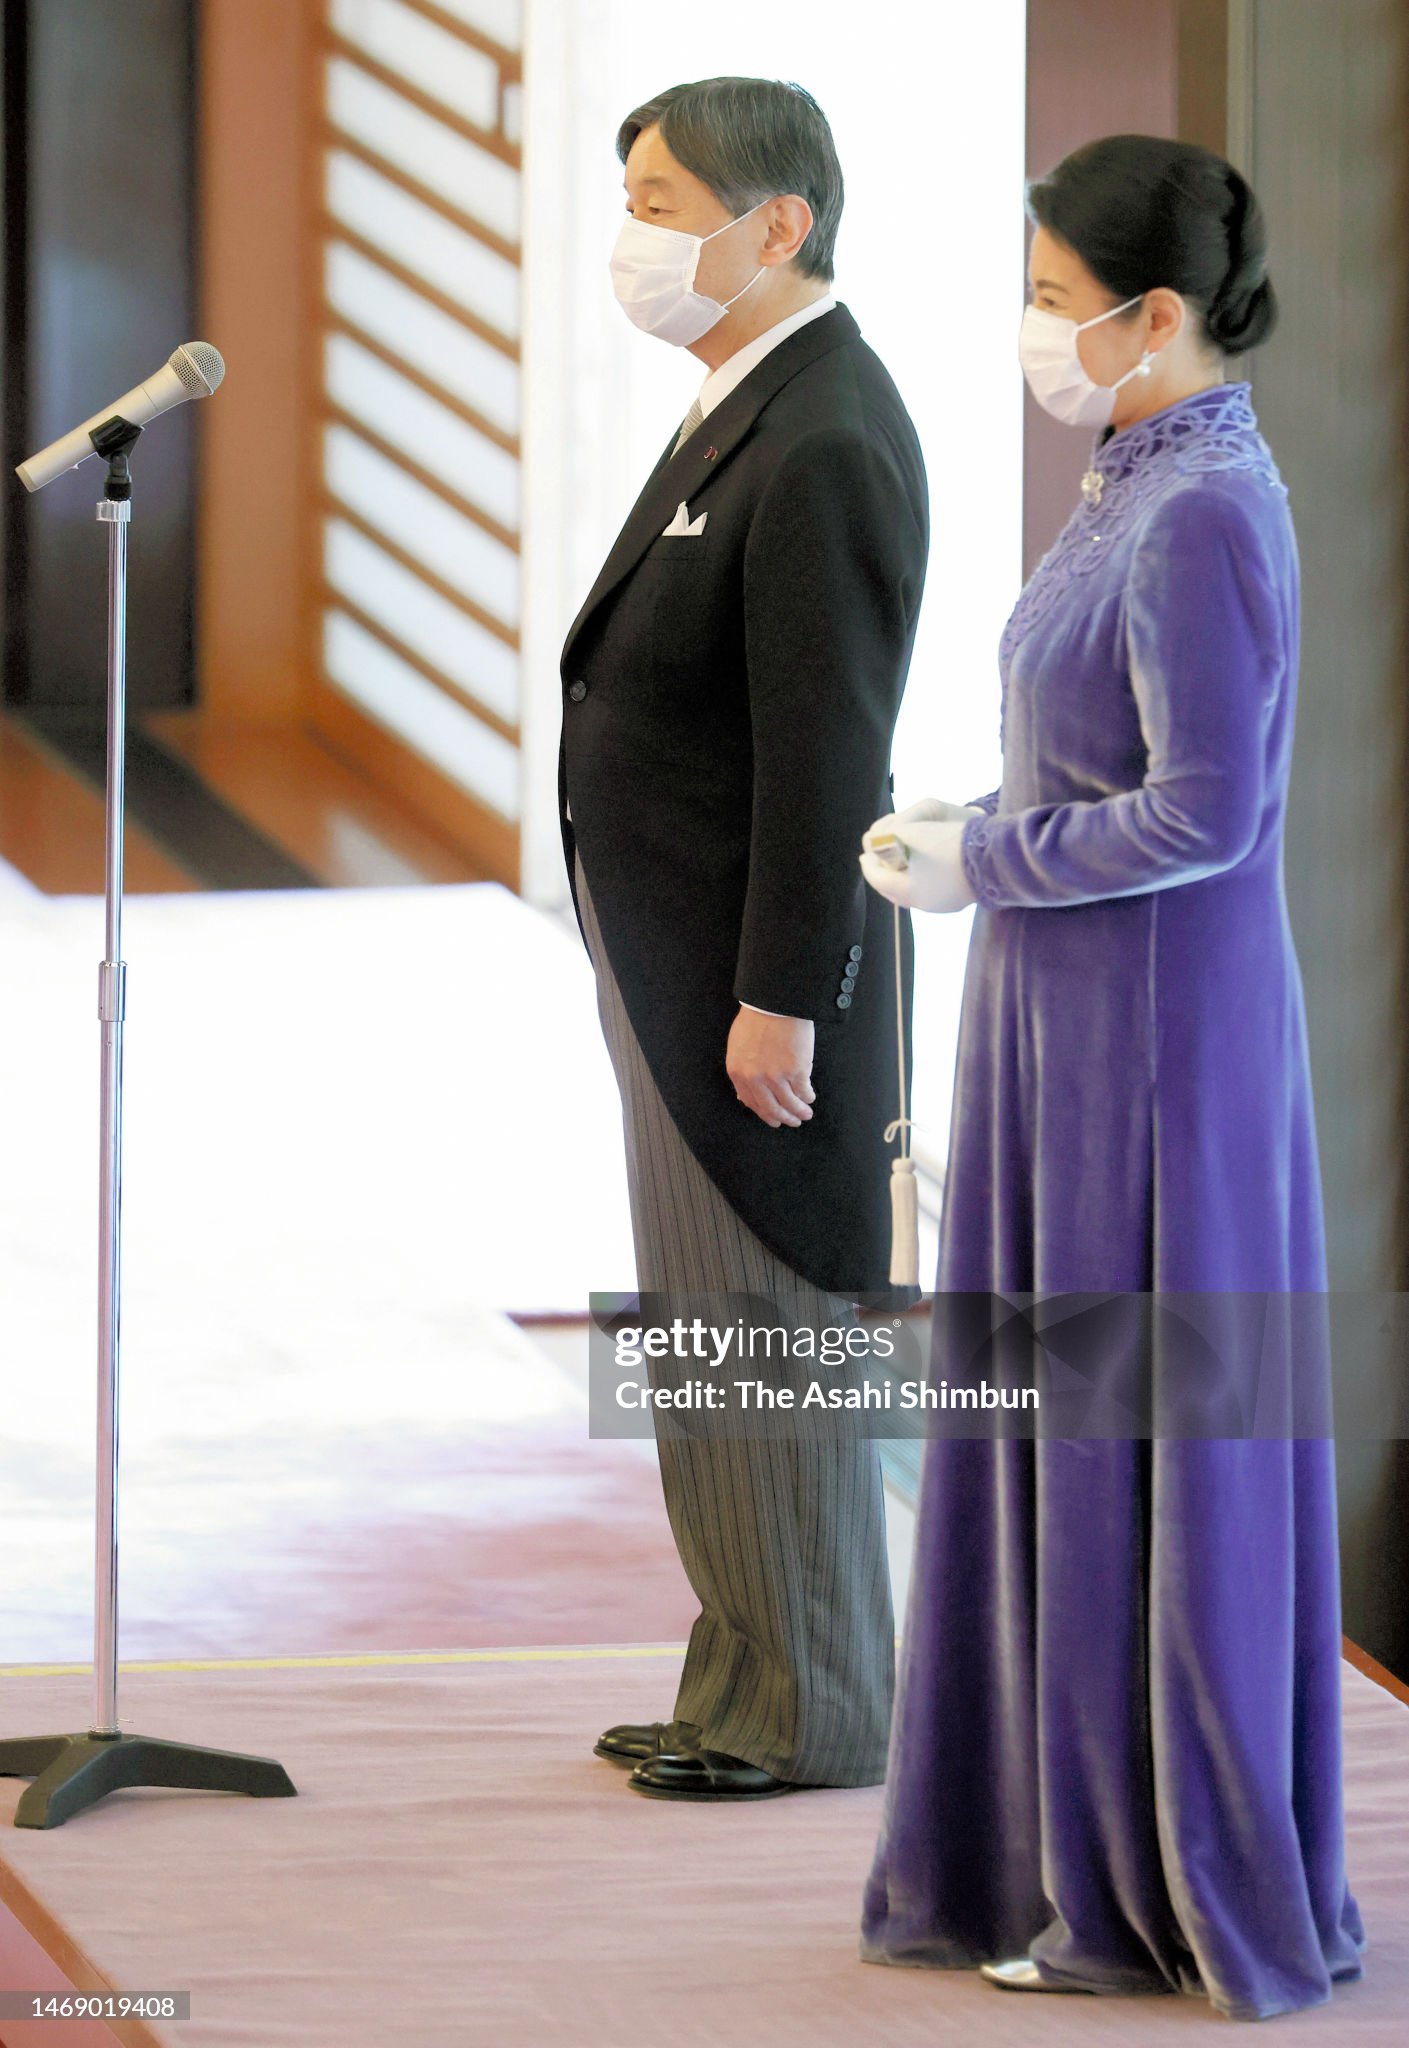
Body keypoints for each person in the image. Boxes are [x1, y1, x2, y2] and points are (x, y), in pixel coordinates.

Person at [856, 135, 1365, 2018]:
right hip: (1066, 1015)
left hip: (1152, 1044)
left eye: (1055, 300)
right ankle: (1043, 1843)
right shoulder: (1131, 475)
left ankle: (1147, 1884)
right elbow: (1094, 764)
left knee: (1131, 1440)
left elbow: (1208, 814)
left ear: (1155, 314)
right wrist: (969, 824)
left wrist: (979, 862)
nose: (1033, 331)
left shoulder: (1204, 506)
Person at [559, 77, 929, 1801]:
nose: (632, 234)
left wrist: (784, 996)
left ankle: (816, 1710)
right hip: (671, 954)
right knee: (706, 1339)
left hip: (750, 980)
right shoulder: (746, 399)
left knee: (765, 1332)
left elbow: (822, 753)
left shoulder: (829, 431)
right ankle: (738, 1681)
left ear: (774, 221)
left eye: (657, 198)